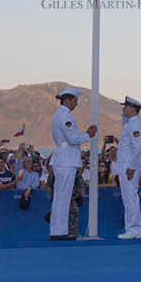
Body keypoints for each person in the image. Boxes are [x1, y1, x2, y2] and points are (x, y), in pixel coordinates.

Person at [49, 89, 95, 241]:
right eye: (75, 100)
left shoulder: (58, 115)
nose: (76, 103)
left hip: (62, 158)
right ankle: (59, 231)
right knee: (63, 197)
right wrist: (88, 134)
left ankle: (58, 230)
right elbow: (73, 138)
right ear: (67, 100)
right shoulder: (65, 116)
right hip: (66, 159)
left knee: (60, 197)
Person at [117, 96, 141, 239]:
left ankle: (134, 229)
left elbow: (138, 147)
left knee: (130, 197)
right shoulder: (129, 123)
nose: (123, 109)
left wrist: (132, 167)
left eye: (126, 107)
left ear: (133, 109)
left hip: (129, 166)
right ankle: (132, 228)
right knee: (128, 198)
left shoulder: (135, 124)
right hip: (125, 164)